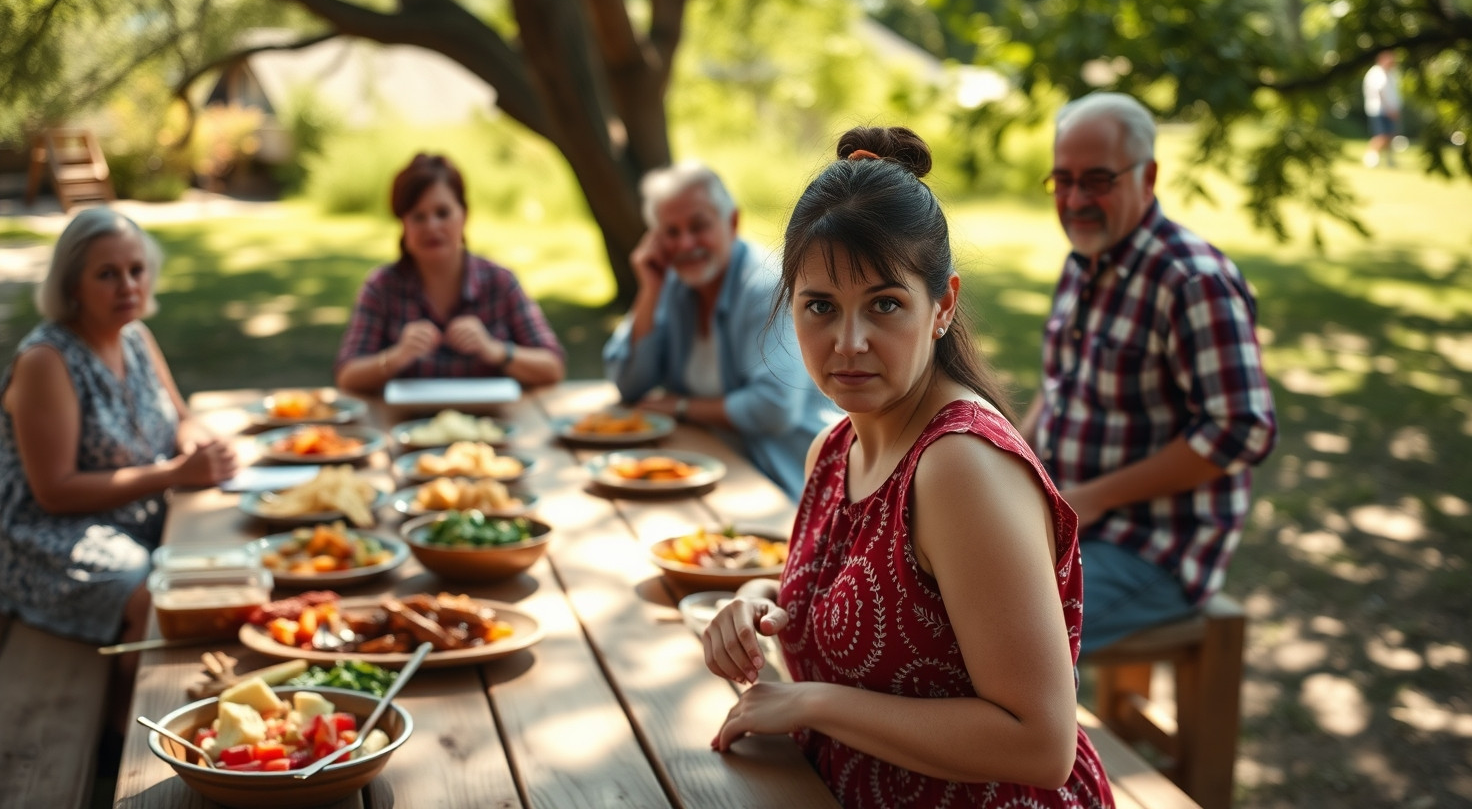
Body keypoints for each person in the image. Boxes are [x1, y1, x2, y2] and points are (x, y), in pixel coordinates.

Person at [700, 128, 1113, 809]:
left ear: (942, 305)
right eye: (820, 307)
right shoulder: (833, 450)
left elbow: (1041, 744)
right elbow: (875, 606)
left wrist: (811, 703)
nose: (849, 343)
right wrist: (760, 604)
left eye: (885, 304)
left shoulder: (960, 467)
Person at [1020, 92, 1277, 655]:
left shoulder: (1191, 282)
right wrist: (1012, 463)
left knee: (996, 642)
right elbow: (1058, 385)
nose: (1075, 199)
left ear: (1149, 176)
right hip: (1074, 524)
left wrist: (1092, 498)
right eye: (1062, 180)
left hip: (1155, 550)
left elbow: (1240, 429)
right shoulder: (1083, 262)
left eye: (1097, 180)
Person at [0, 207, 238, 644]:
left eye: (136, 270)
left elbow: (182, 418)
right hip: (50, 537)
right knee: (153, 593)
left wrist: (195, 445)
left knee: (230, 556)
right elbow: (54, 492)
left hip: (140, 514)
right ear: (72, 284)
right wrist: (176, 473)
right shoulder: (46, 361)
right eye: (107, 274)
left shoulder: (135, 337)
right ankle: (134, 704)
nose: (128, 286)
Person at [603, 161, 836, 500]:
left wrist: (680, 407)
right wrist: (649, 290)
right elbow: (628, 383)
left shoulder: (765, 287)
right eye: (671, 232)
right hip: (710, 464)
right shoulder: (672, 284)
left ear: (732, 222)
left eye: (699, 226)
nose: (685, 243)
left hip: (784, 482)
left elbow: (774, 407)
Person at [336, 153, 566, 393]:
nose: (432, 227)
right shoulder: (382, 287)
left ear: (464, 216)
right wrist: (396, 357)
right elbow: (347, 376)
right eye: (418, 217)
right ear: (403, 224)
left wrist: (495, 350)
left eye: (443, 213)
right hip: (402, 424)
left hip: (490, 424)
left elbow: (553, 367)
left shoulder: (500, 281)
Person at [1362, 51, 1402, 168]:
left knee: (1390, 135)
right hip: (1379, 109)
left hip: (1391, 110)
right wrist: (1389, 109)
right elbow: (1380, 93)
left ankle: (1389, 161)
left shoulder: (1392, 73)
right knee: (1381, 136)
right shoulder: (1376, 73)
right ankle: (1370, 157)